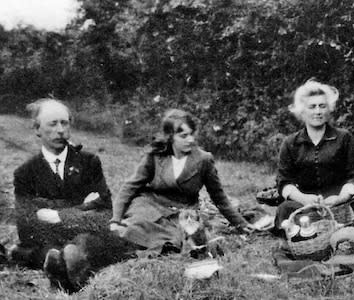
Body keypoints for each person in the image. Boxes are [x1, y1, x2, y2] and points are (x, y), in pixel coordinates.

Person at [13, 98, 131, 292]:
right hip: (48, 242)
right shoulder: (25, 173)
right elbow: (26, 228)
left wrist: (58, 215)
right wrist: (83, 209)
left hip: (86, 238)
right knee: (45, 250)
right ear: (37, 129)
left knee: (89, 243)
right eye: (52, 123)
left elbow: (104, 214)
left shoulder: (89, 162)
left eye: (64, 123)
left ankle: (66, 262)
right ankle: (64, 262)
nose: (60, 130)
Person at [110, 109, 254, 253]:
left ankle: (162, 242)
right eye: (184, 136)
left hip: (183, 212)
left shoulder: (204, 160)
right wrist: (115, 219)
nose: (190, 140)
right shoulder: (155, 157)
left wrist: (240, 223)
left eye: (191, 134)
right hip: (151, 205)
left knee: (181, 240)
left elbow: (219, 197)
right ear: (170, 137)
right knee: (132, 226)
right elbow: (130, 187)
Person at [274, 80, 354, 237]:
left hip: (340, 201)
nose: (318, 111)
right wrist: (304, 199)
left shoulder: (344, 138)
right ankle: (306, 237)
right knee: (285, 209)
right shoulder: (290, 143)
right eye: (312, 107)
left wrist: (339, 198)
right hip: (304, 203)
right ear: (302, 111)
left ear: (329, 109)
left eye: (322, 106)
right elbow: (284, 182)